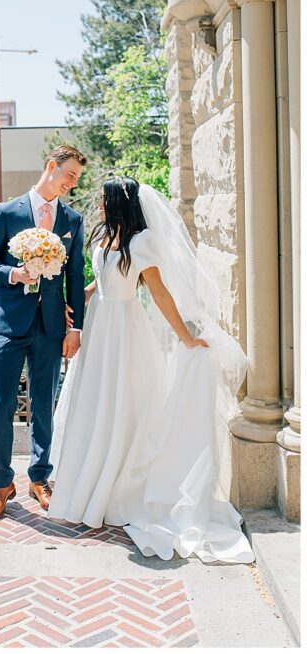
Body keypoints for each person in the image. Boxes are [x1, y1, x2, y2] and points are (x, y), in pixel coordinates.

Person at [47, 177, 253, 564]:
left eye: (105, 199)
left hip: (125, 328)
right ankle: (90, 478)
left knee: (124, 402)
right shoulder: (105, 236)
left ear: (118, 202)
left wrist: (185, 338)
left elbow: (158, 293)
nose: (100, 205)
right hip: (100, 324)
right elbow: (105, 275)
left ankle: (116, 479)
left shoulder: (141, 243)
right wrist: (92, 291)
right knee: (95, 401)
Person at [0, 144, 87, 523]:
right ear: (51, 167)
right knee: (1, 406)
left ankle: (40, 479)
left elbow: (75, 277)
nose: (72, 183)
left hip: (51, 327)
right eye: (70, 174)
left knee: (43, 406)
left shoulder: (72, 220)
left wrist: (76, 328)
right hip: (8, 325)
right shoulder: (6, 212)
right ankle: (1, 485)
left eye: (77, 178)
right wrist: (13, 273)